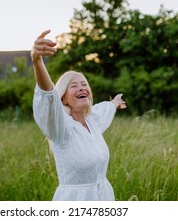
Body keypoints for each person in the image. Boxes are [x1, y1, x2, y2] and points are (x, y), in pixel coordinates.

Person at [31, 29, 127, 201]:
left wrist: (115, 102)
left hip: (103, 197)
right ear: (64, 99)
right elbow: (48, 96)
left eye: (84, 84)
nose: (82, 87)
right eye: (74, 86)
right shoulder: (62, 128)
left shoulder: (92, 122)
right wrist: (37, 61)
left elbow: (103, 109)